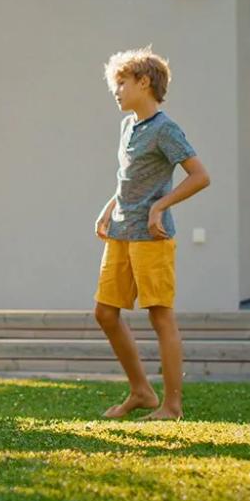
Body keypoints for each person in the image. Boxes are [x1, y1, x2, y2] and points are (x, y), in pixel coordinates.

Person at [93, 46, 210, 421]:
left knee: (160, 316)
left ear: (144, 83)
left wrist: (161, 206)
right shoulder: (127, 126)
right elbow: (129, 178)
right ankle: (141, 391)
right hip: (121, 233)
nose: (117, 90)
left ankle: (172, 407)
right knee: (105, 313)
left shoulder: (166, 129)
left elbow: (200, 176)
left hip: (152, 237)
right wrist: (110, 206)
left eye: (122, 82)